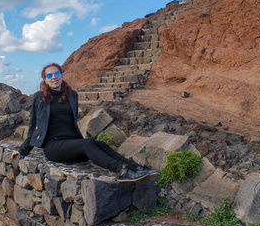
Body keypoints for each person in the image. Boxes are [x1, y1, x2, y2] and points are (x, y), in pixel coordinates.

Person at [11, 63, 160, 182]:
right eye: (49, 75)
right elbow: (33, 126)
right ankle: (121, 171)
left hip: (73, 143)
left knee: (100, 144)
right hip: (53, 146)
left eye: (56, 73)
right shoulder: (39, 98)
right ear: (45, 80)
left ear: (62, 76)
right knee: (88, 144)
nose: (53, 77)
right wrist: (22, 150)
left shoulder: (72, 96)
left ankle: (137, 169)